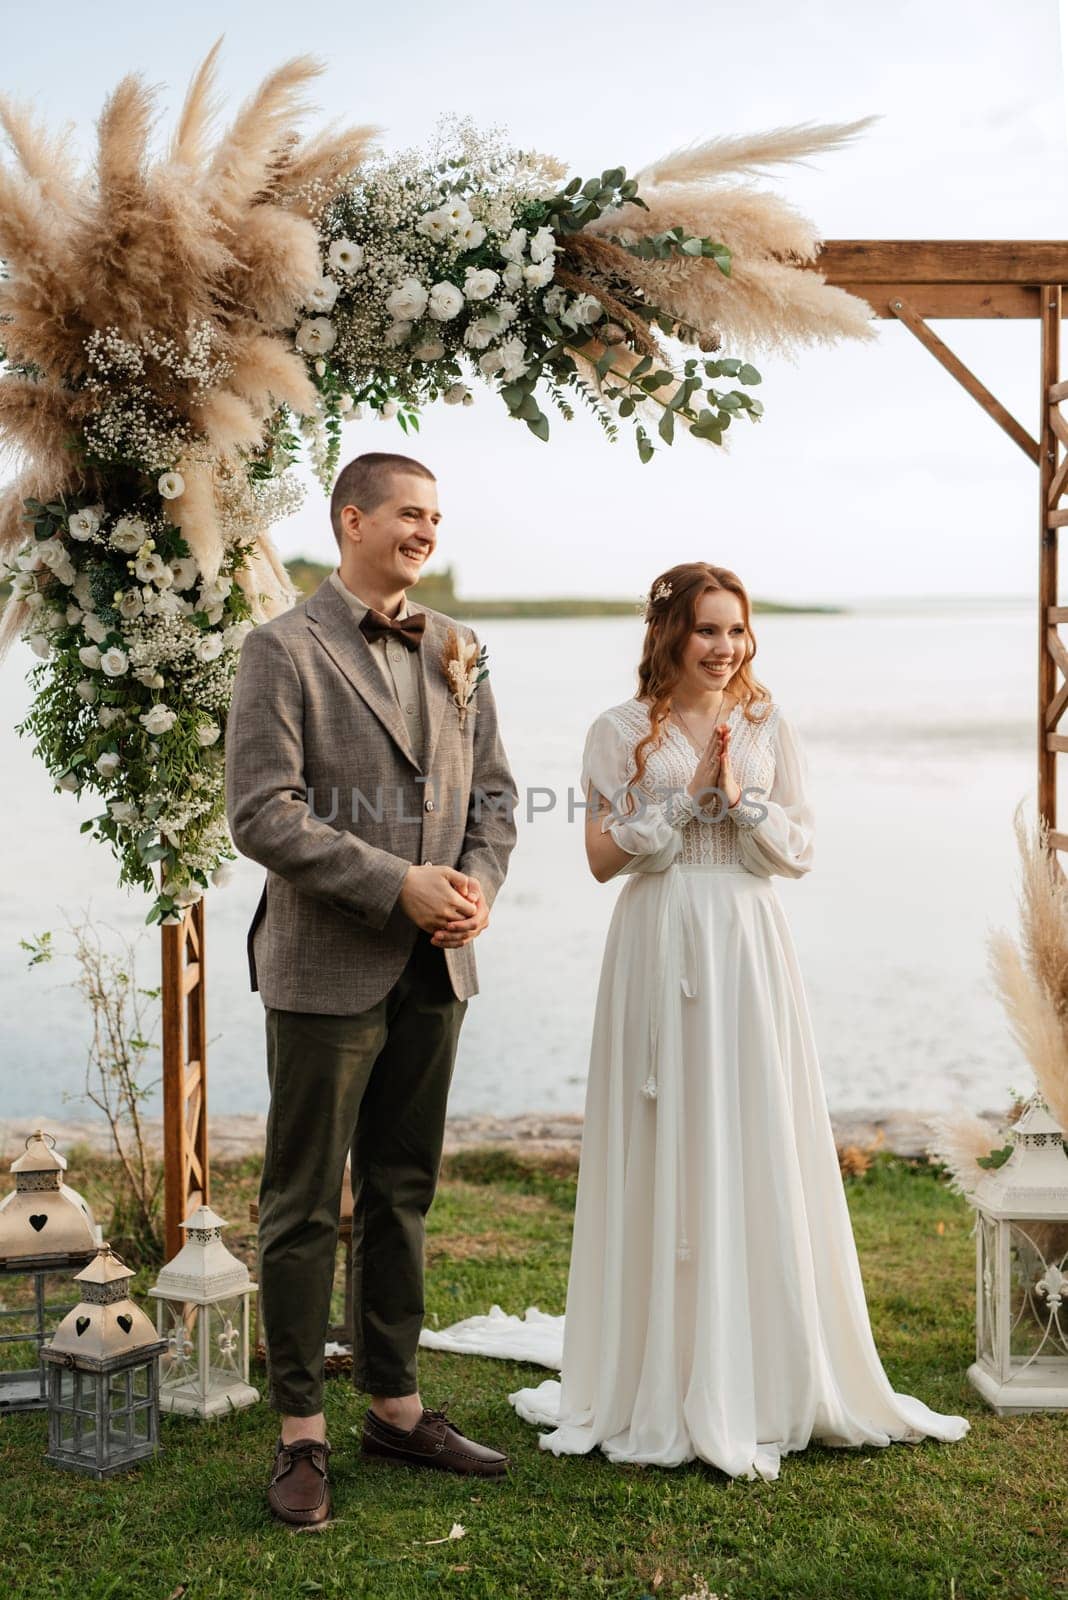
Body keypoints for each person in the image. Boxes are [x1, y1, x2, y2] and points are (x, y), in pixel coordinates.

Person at [428, 561, 970, 1481]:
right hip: (661, 934)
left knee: (755, 1127)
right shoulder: (616, 729)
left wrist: (741, 799)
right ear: (670, 634)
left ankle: (769, 1367)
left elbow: (799, 850)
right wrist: (685, 799)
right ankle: (664, 1368)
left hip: (749, 938)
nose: (726, 649)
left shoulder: (768, 722)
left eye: (738, 630)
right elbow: (602, 857)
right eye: (708, 630)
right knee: (669, 1130)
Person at [225, 452, 518, 1526]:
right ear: (350, 517)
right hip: (325, 961)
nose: (425, 530)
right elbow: (264, 812)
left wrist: (474, 891)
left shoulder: (459, 647)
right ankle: (300, 1433)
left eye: (436, 515)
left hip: (440, 963)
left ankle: (396, 1406)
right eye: (407, 512)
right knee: (303, 1204)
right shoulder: (279, 648)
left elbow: (494, 799)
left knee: (402, 1191)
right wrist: (399, 885)